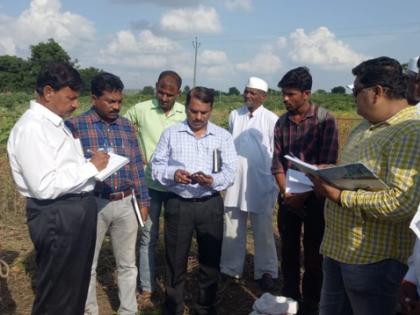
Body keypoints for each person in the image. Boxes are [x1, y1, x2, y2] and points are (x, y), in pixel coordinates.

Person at [311, 56, 420, 315]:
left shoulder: (410, 131)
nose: (354, 99)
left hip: (373, 261)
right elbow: (358, 176)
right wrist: (331, 174)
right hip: (339, 248)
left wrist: (340, 197)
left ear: (377, 92)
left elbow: (403, 202)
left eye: (357, 91)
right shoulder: (364, 126)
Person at [7, 62, 109, 315]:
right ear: (49, 92)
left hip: (73, 210)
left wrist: (88, 166)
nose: (75, 104)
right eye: (71, 98)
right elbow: (43, 186)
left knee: (74, 287)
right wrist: (90, 168)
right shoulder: (32, 128)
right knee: (58, 294)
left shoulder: (56, 123)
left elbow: (61, 168)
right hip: (57, 214)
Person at [66, 72, 150, 315]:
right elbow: (69, 167)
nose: (116, 106)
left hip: (124, 202)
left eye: (119, 101)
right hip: (92, 203)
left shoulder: (125, 127)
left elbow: (135, 165)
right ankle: (90, 310)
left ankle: (128, 310)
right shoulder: (76, 126)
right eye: (110, 101)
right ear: (94, 99)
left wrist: (143, 200)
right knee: (87, 264)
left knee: (127, 263)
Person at [151, 86, 237, 315]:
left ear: (211, 110)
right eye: (193, 111)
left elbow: (229, 173)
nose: (198, 117)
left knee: (210, 261)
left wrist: (212, 180)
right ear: (186, 107)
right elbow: (156, 167)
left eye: (204, 113)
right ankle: (173, 306)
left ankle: (205, 307)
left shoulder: (223, 137)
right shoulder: (171, 133)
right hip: (179, 204)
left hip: (210, 205)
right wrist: (173, 174)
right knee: (175, 260)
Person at [271, 67, 339, 315]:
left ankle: (311, 304)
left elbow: (327, 166)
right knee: (288, 253)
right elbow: (277, 162)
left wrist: (302, 197)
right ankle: (290, 300)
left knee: (313, 256)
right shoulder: (281, 122)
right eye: (283, 94)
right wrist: (287, 194)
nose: (284, 99)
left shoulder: (324, 120)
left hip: (316, 201)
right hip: (288, 198)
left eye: (290, 94)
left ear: (306, 93)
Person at [124, 70, 186, 305]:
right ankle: (147, 288)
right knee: (148, 236)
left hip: (177, 187)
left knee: (176, 238)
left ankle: (173, 289)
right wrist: (137, 155)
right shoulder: (141, 109)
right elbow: (123, 128)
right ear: (155, 88)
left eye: (170, 94)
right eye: (160, 91)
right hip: (148, 185)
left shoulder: (184, 112)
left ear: (178, 93)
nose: (164, 97)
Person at [220, 76, 279, 291]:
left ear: (263, 96)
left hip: (261, 184)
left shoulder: (272, 119)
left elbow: (276, 153)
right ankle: (229, 268)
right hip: (235, 183)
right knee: (232, 226)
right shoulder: (235, 115)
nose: (248, 96)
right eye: (246, 91)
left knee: (263, 231)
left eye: (253, 93)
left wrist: (276, 184)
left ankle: (266, 271)